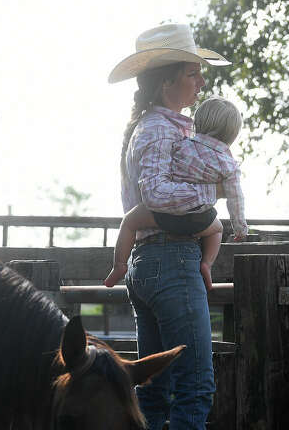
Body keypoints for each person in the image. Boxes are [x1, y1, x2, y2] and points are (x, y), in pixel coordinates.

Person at [108, 23, 251, 430]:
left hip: (152, 265)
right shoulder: (160, 130)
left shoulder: (157, 128)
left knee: (155, 386)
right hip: (169, 259)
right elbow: (156, 195)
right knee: (195, 382)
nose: (199, 82)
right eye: (192, 73)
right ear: (169, 80)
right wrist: (209, 213)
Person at [103, 96, 249, 289]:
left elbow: (164, 175)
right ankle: (207, 263)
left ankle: (120, 265)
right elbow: (236, 199)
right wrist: (240, 227)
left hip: (164, 216)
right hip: (199, 219)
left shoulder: (182, 144)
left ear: (199, 122)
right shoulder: (229, 165)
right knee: (218, 229)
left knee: (129, 222)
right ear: (232, 135)